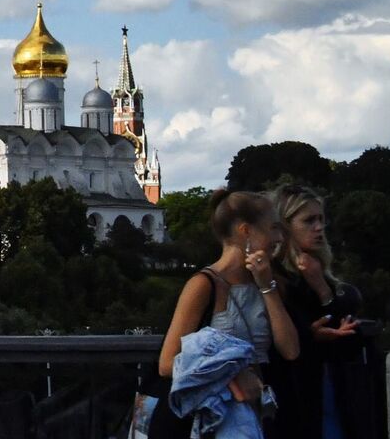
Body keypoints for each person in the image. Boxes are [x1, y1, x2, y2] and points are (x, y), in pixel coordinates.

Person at [151, 190, 301, 439]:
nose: (279, 237)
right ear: (246, 231)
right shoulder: (203, 284)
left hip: (258, 416)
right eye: (273, 228)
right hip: (207, 420)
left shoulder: (272, 283)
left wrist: (267, 287)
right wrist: (233, 374)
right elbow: (167, 363)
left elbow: (291, 350)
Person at [265, 184, 376, 439]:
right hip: (294, 396)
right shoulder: (273, 278)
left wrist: (321, 287)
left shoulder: (317, 273)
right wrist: (311, 335)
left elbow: (348, 333)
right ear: (285, 225)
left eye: (321, 220)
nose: (319, 228)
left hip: (329, 388)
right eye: (309, 221)